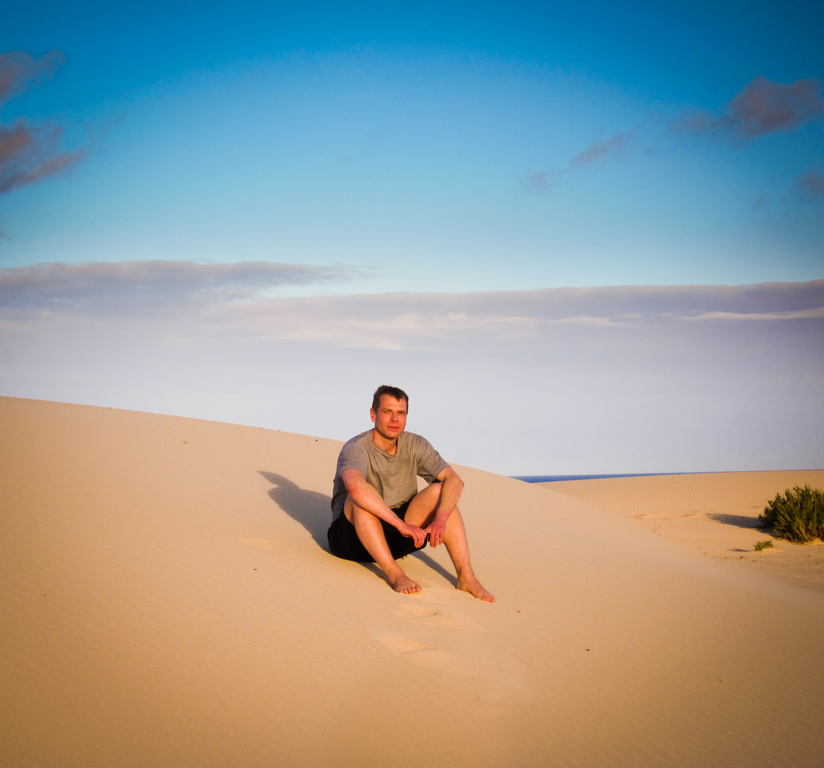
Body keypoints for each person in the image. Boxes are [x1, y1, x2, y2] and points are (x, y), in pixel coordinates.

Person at [327, 385, 494, 602]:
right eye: (387, 412)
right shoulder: (357, 447)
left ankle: (466, 577)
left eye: (401, 413)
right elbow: (355, 487)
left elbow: (455, 480)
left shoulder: (415, 444)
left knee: (441, 491)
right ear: (373, 414)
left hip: (398, 537)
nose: (394, 419)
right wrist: (400, 525)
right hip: (351, 540)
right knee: (358, 499)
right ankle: (395, 574)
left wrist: (440, 519)